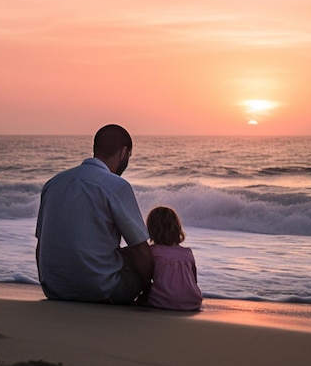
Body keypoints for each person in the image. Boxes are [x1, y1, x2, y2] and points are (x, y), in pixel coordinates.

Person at [35, 124, 153, 304]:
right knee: (152, 256)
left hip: (53, 288)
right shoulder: (117, 186)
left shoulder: (53, 183)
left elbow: (40, 243)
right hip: (102, 291)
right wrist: (147, 290)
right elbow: (139, 248)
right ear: (124, 152)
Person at [144, 206, 203, 311]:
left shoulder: (151, 252)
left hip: (162, 301)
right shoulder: (187, 252)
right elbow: (194, 280)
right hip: (193, 301)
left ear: (151, 229)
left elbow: (145, 279)